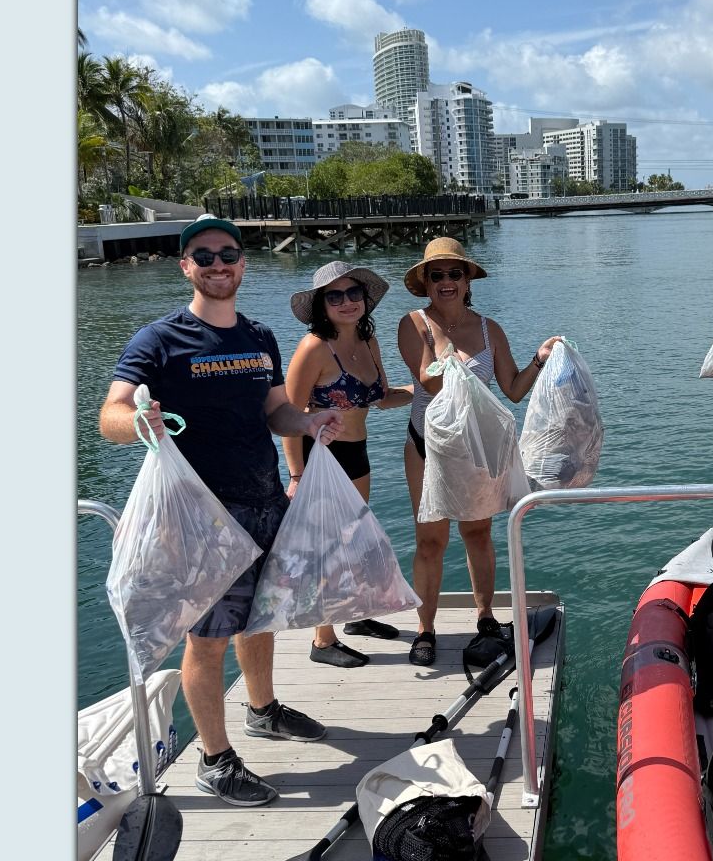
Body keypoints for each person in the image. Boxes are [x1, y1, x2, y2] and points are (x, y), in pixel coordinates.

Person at [98, 215, 345, 807]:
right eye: (203, 256)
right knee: (205, 640)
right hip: (199, 517)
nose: (217, 264)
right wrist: (137, 423)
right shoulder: (158, 340)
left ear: (242, 264)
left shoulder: (258, 336)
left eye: (227, 254)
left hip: (262, 503)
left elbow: (275, 412)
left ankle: (262, 709)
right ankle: (215, 759)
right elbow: (108, 417)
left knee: (259, 620)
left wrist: (307, 422)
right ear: (185, 266)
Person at [395, 237, 561, 667]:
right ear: (425, 283)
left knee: (478, 533)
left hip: (476, 449)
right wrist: (445, 346)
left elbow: (513, 390)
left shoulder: (490, 330)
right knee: (430, 540)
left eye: (455, 273)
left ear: (468, 279)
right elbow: (429, 382)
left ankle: (486, 616)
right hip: (427, 446)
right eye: (437, 275)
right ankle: (425, 628)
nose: (446, 282)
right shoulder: (413, 324)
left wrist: (540, 359)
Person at [280, 261, 415, 668]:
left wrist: (426, 389)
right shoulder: (314, 348)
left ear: (364, 300)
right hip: (321, 459)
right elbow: (287, 415)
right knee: (328, 548)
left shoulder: (367, 341)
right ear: (322, 304)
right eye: (334, 296)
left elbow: (380, 396)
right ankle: (323, 640)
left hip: (358, 455)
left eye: (353, 294)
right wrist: (297, 474)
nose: (346, 302)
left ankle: (354, 616)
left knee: (355, 538)